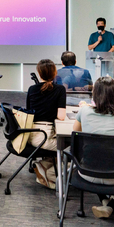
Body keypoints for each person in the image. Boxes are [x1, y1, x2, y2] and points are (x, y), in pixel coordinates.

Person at [73, 76, 114, 219]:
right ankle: (111, 204)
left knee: (97, 159)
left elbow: (76, 131)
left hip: (87, 172)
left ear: (94, 95)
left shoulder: (83, 112)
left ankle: (106, 203)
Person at [27, 59, 67, 189]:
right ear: (55, 73)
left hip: (30, 134)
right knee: (72, 148)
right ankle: (48, 172)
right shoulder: (59, 89)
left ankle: (45, 166)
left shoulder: (32, 89)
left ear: (39, 74)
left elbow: (28, 113)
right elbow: (61, 116)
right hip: (44, 137)